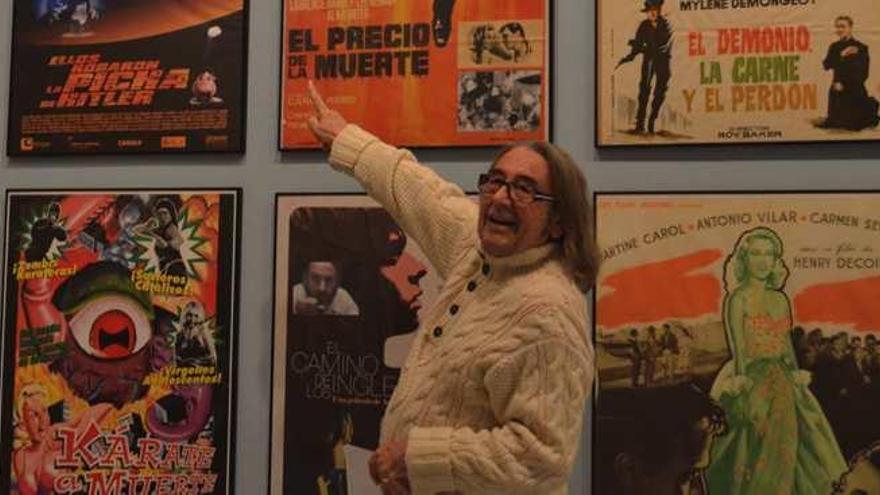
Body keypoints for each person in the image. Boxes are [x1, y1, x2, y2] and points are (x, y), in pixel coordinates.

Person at [306, 80, 597, 494]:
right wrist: (346, 141)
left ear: (559, 221)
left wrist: (416, 458)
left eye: (524, 189)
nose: (500, 198)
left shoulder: (547, 312)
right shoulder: (480, 253)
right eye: (495, 180)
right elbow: (422, 193)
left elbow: (540, 457)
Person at [706, 227, 847, 494]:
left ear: (775, 260)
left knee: (802, 444)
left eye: (768, 254)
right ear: (745, 260)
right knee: (751, 443)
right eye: (756, 254)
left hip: (783, 378)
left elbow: (785, 346)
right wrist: (743, 389)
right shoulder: (737, 299)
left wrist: (797, 376)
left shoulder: (781, 299)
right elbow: (738, 349)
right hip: (750, 375)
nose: (762, 260)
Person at [617, 0, 673, 134]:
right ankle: (640, 123)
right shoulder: (643, 26)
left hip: (663, 62)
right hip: (649, 60)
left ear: (659, 11)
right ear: (647, 12)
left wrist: (644, 47)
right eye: (650, 10)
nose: (653, 13)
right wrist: (630, 55)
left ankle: (652, 121)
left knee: (660, 91)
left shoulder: (666, 25)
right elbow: (638, 45)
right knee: (644, 90)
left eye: (655, 9)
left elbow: (665, 45)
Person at [820, 16, 880, 131]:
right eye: (837, 27)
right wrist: (841, 55)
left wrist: (845, 85)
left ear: (850, 28)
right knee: (835, 123)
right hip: (836, 89)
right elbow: (826, 65)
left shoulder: (862, 48)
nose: (840, 30)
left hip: (854, 90)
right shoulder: (834, 47)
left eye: (843, 26)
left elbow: (864, 74)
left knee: (853, 125)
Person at [292, 261, 360, 316]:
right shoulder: (293, 295)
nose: (322, 288)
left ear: (337, 281)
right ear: (305, 278)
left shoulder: (343, 298)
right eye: (315, 278)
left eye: (329, 280)